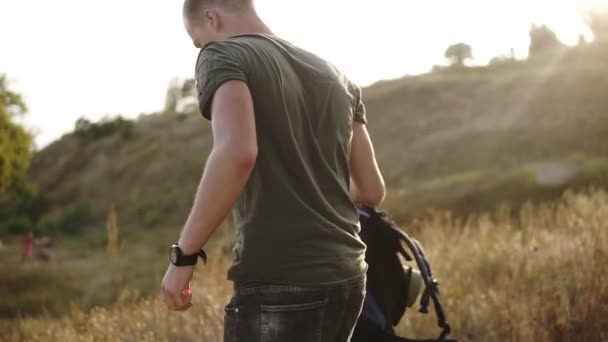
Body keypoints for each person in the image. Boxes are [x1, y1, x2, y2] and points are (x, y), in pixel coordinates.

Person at [161, 1, 385, 341]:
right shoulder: (337, 75)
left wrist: (184, 257)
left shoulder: (222, 56)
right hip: (348, 277)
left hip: (281, 281)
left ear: (211, 17)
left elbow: (237, 154)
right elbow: (371, 190)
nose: (201, 48)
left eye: (198, 40)